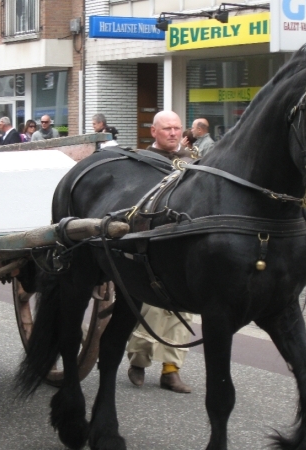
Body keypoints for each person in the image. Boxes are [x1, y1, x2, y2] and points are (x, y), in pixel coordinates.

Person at [126, 110, 193, 394]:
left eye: (177, 128)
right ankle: (139, 361)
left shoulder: (194, 160)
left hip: (185, 243)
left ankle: (171, 370)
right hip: (150, 243)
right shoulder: (140, 162)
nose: (173, 133)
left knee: (183, 311)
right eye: (166, 128)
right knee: (153, 308)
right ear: (154, 132)